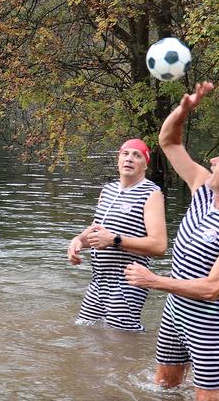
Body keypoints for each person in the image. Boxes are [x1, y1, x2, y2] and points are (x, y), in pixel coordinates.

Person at [125, 82, 219, 401]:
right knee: (163, 387)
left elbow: (214, 288)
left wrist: (154, 281)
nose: (213, 159)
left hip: (208, 320)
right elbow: (168, 141)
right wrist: (184, 109)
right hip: (175, 310)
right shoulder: (202, 188)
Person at [67, 140, 168, 330]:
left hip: (127, 283)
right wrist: (79, 240)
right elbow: (98, 231)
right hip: (99, 280)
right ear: (118, 159)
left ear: (145, 165)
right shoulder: (107, 190)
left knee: (122, 342)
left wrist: (115, 240)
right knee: (84, 332)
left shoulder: (152, 194)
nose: (130, 158)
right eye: (126, 154)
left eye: (137, 155)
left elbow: (159, 245)